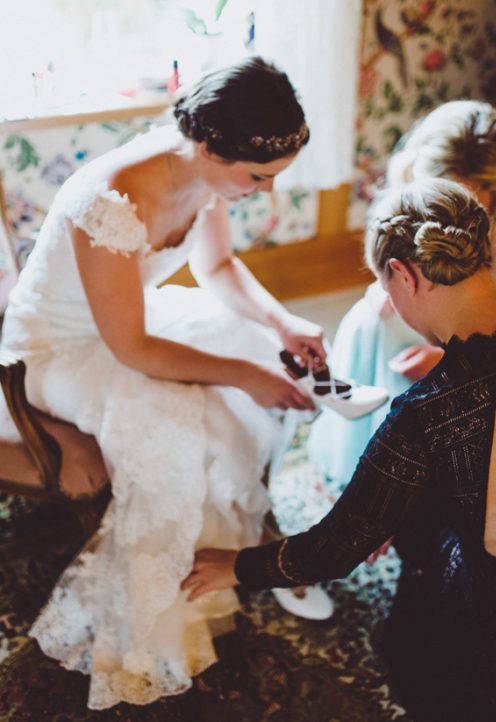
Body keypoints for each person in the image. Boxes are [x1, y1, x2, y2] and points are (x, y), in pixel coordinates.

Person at [0, 56, 346, 709]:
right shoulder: (110, 202)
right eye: (258, 177)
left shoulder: (206, 176)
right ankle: (151, 634)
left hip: (126, 321)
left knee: (252, 354)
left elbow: (217, 266)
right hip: (58, 350)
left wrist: (282, 322)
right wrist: (245, 377)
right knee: (176, 428)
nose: (265, 191)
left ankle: (231, 548)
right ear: (209, 145)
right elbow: (130, 349)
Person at [183, 178, 496, 721]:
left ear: (403, 275)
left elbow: (336, 547)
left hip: (485, 600)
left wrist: (235, 565)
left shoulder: (425, 414)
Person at [305, 100, 496, 493]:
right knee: (374, 320)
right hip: (430, 315)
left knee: (400, 340)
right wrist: (384, 290)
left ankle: (406, 482)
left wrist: (452, 364)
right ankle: (369, 456)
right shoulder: (407, 203)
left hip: (482, 338)